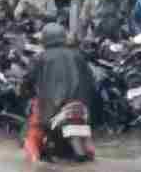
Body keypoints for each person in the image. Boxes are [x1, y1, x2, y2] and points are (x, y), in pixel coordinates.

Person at [21, 21, 98, 161]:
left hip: (53, 108)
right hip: (80, 107)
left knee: (33, 132)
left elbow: (27, 81)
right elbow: (92, 81)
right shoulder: (78, 56)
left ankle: (34, 162)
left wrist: (24, 91)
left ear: (45, 39)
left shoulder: (40, 58)